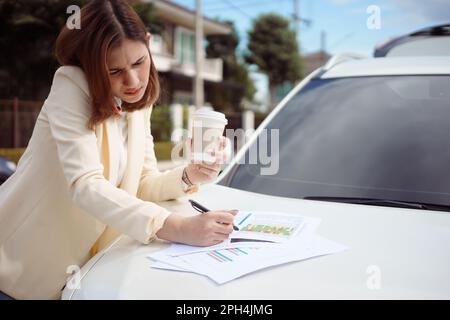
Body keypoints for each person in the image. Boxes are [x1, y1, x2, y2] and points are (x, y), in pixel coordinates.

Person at [0, 0, 237, 300]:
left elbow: (141, 184)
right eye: (114, 71)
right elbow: (85, 185)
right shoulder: (71, 85)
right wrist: (177, 227)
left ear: (148, 43)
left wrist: (190, 176)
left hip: (82, 279)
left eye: (139, 62)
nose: (133, 81)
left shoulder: (139, 105)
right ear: (90, 65)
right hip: (16, 273)